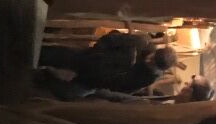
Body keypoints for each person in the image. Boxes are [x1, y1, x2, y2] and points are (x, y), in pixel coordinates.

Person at [36, 30, 177, 101]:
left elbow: (126, 89)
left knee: (65, 94)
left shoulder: (147, 77)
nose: (148, 61)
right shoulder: (140, 43)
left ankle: (41, 76)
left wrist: (107, 84)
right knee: (51, 55)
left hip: (94, 82)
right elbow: (112, 38)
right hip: (89, 59)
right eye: (151, 58)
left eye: (152, 64)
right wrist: (97, 52)